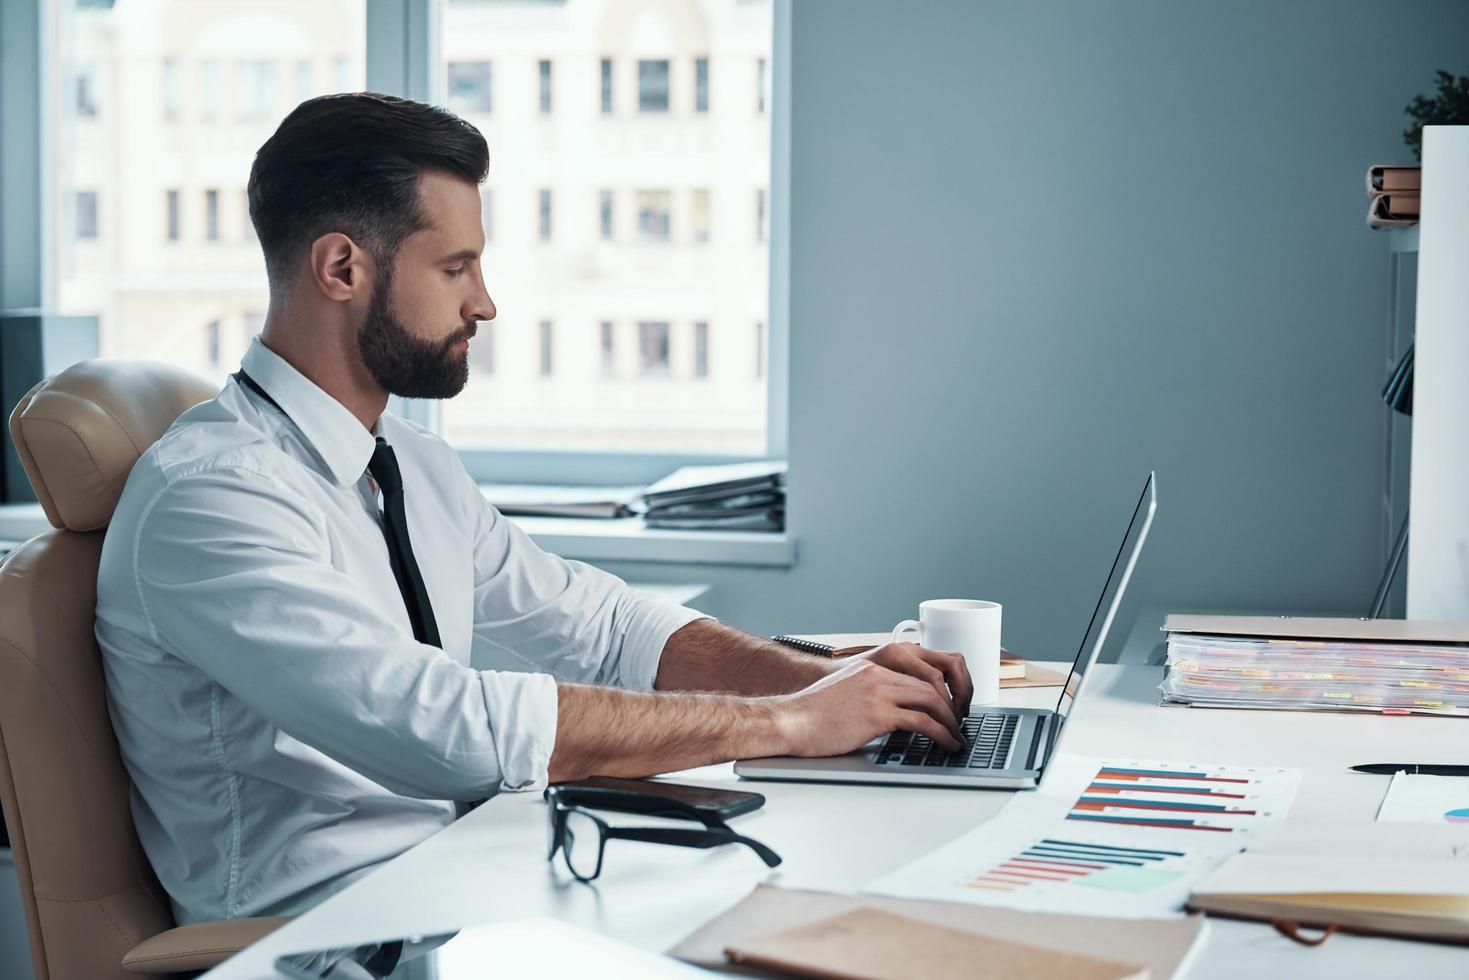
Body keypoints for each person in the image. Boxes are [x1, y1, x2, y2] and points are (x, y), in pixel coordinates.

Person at [95, 93, 971, 926]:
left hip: (477, 876)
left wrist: (825, 685)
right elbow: (435, 728)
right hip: (343, 939)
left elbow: (604, 626)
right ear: (341, 268)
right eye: (454, 266)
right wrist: (789, 724)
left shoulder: (412, 466)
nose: (484, 301)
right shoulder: (211, 498)